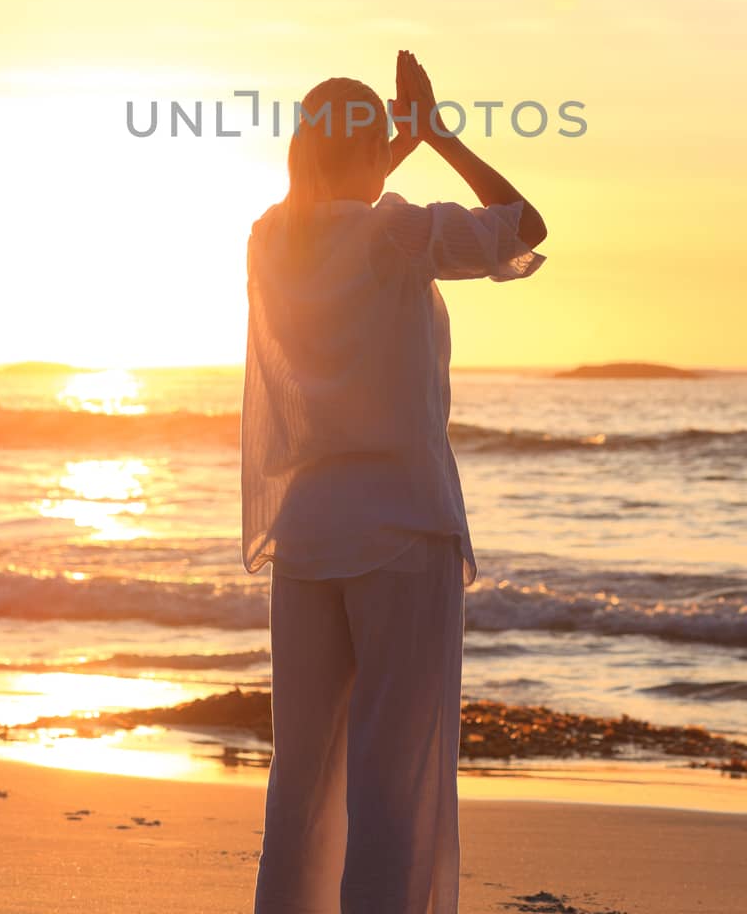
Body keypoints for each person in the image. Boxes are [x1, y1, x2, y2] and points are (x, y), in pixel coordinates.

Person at [241, 51, 548, 914]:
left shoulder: (273, 238)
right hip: (401, 533)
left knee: (302, 772)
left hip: (308, 535)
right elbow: (523, 223)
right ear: (371, 153)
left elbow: (344, 195)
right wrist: (439, 135)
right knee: (392, 772)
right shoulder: (397, 234)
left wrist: (396, 136)